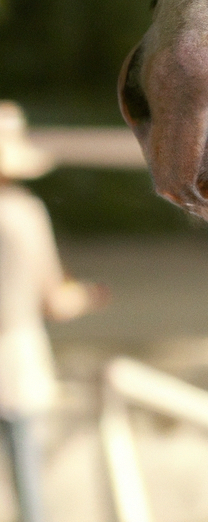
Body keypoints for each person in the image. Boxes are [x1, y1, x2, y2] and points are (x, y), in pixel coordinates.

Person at [0, 102, 105, 522]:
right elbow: (55, 301)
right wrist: (91, 295)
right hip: (14, 359)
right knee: (29, 488)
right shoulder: (23, 214)